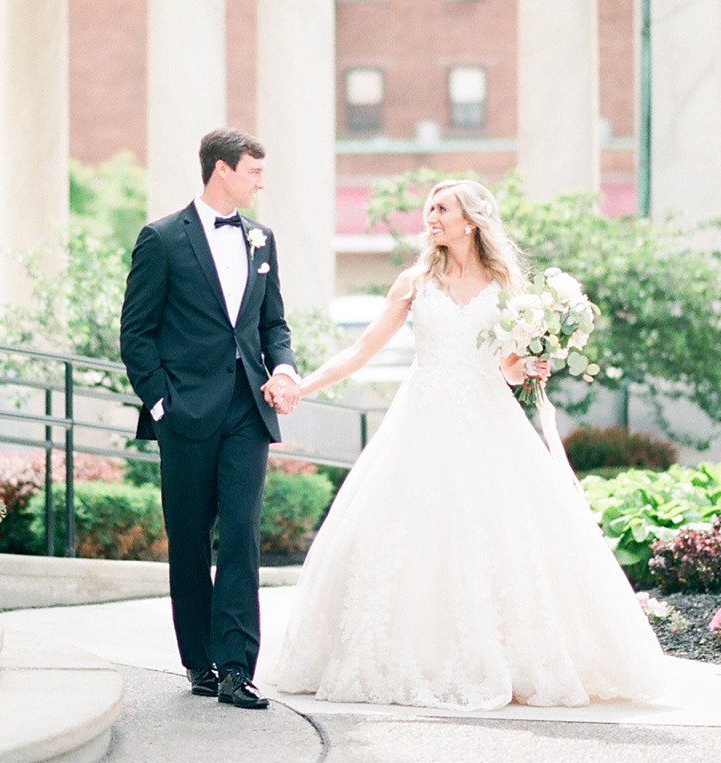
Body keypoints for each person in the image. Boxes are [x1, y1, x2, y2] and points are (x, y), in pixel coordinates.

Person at [263, 179, 666, 710]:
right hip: (421, 418)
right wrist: (299, 386)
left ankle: (508, 658)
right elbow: (362, 349)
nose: (430, 217)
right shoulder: (414, 282)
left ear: (470, 221)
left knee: (499, 533)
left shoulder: (506, 289)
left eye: (441, 208)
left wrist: (531, 364)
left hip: (486, 419)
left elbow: (504, 368)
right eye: (429, 208)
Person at [119, 128, 301, 711]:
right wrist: (161, 403)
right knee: (191, 540)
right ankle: (199, 661)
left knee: (243, 533)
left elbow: (273, 324)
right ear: (221, 169)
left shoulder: (261, 239)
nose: (260, 181)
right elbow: (136, 333)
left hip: (248, 409)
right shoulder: (162, 239)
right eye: (253, 170)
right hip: (185, 413)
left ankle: (236, 669)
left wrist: (287, 369)